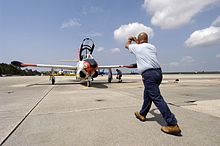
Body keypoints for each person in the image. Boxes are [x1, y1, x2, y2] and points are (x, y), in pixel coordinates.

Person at [125, 32, 181, 134]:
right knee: (147, 95)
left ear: (138, 40)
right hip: (158, 73)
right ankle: (142, 114)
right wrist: (137, 41)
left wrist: (130, 39)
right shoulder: (152, 47)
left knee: (156, 98)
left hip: (149, 75)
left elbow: (126, 46)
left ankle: (172, 124)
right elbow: (142, 45)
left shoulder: (137, 48)